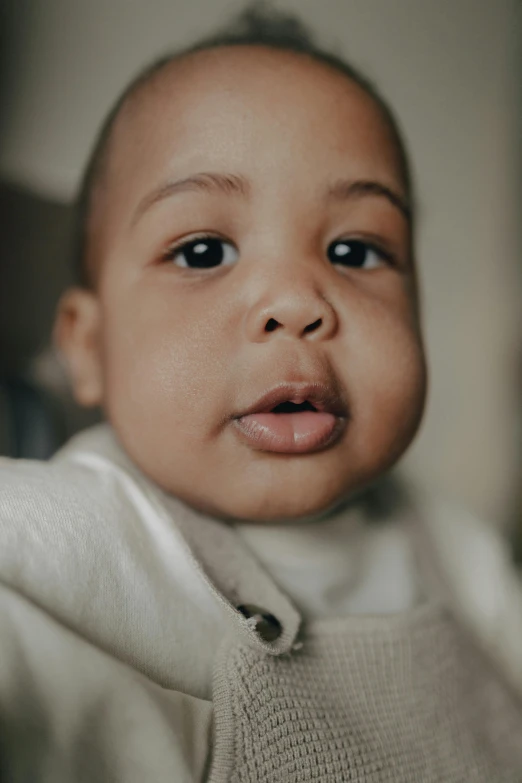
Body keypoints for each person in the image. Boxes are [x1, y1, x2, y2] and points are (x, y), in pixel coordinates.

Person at [1, 4, 521, 781]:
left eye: (355, 249)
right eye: (204, 250)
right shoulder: (97, 533)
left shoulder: (461, 556)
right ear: (88, 345)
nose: (297, 301)